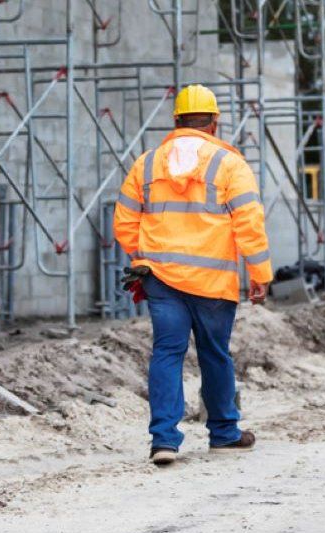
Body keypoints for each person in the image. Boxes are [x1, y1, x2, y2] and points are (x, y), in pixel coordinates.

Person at [113, 84, 273, 466]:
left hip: (162, 279)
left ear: (177, 121)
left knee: (166, 352)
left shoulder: (147, 163)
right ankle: (223, 433)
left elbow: (123, 220)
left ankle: (164, 441)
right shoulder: (229, 164)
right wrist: (259, 272)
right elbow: (249, 220)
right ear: (214, 123)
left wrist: (144, 257)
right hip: (213, 282)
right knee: (215, 354)